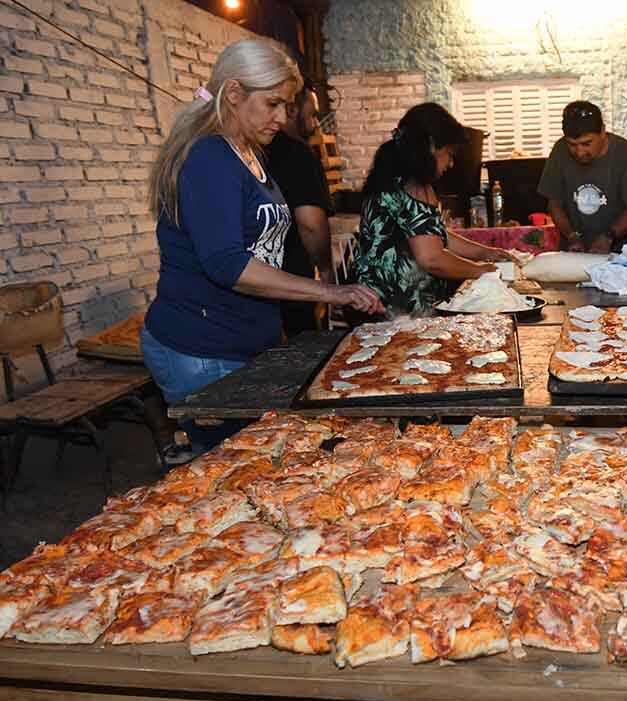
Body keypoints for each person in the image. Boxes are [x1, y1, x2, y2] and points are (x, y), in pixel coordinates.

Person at [142, 39, 383, 454]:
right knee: (237, 475)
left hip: (244, 342)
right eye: (272, 104)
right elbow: (227, 265)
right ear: (234, 94)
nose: (282, 117)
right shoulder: (210, 157)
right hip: (203, 349)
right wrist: (328, 289)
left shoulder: (249, 152)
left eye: (287, 106)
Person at [352, 102, 518, 316]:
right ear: (431, 145)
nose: (450, 164)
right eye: (449, 154)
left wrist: (484, 252)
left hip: (371, 300)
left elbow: (434, 235)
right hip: (396, 309)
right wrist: (480, 270)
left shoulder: (391, 176)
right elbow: (431, 258)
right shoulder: (416, 185)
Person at [265, 78, 335, 337]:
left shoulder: (248, 152)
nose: (316, 123)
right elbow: (311, 224)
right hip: (292, 285)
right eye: (313, 115)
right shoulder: (298, 153)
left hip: (256, 293)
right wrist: (326, 272)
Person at [537, 101, 627, 254]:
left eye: (586, 143)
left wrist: (608, 236)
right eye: (572, 145)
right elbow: (555, 205)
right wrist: (571, 236)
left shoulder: (625, 153)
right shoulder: (560, 151)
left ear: (602, 131)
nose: (579, 152)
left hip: (618, 252)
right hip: (574, 251)